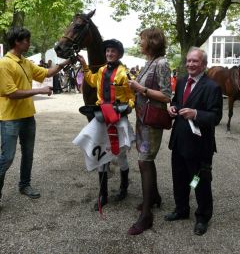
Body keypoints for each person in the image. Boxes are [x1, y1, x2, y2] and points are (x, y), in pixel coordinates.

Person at [0, 27, 73, 206]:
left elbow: (46, 73)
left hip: (27, 116)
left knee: (28, 153)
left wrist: (66, 62)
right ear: (17, 42)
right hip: (9, 117)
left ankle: (24, 185)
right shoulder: (4, 64)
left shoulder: (24, 62)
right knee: (7, 156)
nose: (29, 43)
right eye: (27, 40)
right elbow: (12, 93)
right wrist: (40, 90)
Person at [165, 47, 223, 236]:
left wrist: (196, 113)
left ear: (204, 64)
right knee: (179, 179)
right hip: (179, 141)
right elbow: (176, 101)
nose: (190, 64)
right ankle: (181, 210)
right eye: (189, 61)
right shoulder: (181, 82)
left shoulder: (212, 87)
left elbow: (215, 117)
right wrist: (172, 108)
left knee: (198, 182)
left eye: (195, 61)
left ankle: (202, 216)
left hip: (199, 147)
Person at [77, 39, 135, 211]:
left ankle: (124, 188)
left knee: (120, 154)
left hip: (119, 117)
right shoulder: (101, 70)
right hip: (102, 116)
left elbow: (132, 96)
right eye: (108, 51)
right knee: (101, 153)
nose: (109, 54)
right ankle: (103, 194)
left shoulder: (125, 74)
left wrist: (127, 108)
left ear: (119, 54)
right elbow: (91, 80)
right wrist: (85, 66)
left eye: (113, 52)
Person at [127, 27, 172, 235]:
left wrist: (141, 88)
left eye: (142, 39)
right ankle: (153, 198)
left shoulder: (161, 63)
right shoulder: (150, 62)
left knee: (144, 161)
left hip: (151, 121)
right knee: (144, 160)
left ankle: (146, 216)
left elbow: (165, 95)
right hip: (142, 119)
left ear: (152, 41)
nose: (139, 43)